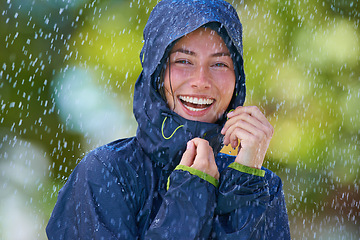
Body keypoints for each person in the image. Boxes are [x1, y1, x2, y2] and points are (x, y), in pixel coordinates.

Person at [46, 0, 291, 239]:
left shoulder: (260, 186)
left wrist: (245, 184)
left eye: (219, 63)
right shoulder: (106, 173)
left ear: (237, 79)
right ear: (157, 73)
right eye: (184, 61)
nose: (201, 80)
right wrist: (191, 194)